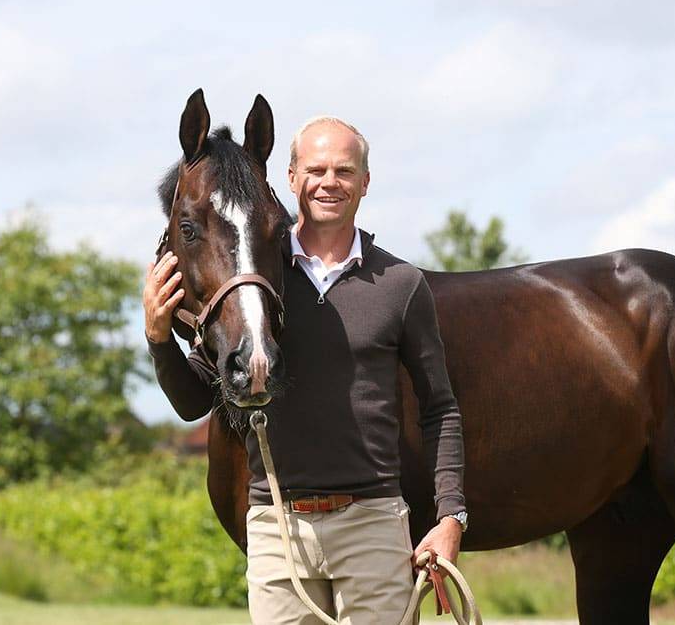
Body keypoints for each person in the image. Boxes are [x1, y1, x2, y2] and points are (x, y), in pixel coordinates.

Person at [143, 116, 466, 625]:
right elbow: (192, 402)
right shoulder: (251, 283)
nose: (329, 182)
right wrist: (159, 339)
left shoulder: (401, 284)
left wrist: (451, 517)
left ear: (364, 181)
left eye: (344, 170)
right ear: (290, 178)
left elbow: (441, 409)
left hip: (374, 524)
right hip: (278, 530)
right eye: (316, 169)